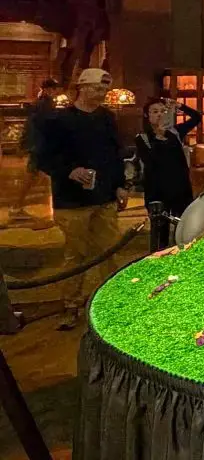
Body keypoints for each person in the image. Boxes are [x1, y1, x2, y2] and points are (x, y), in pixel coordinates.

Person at [37, 69, 128, 330]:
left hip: (104, 197)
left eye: (104, 90)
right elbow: (43, 157)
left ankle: (112, 302)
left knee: (109, 251)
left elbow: (115, 155)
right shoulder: (59, 120)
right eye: (97, 89)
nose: (101, 94)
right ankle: (71, 305)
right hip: (72, 201)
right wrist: (69, 170)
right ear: (82, 88)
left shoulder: (107, 118)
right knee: (76, 255)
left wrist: (121, 185)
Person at [135, 97, 202, 251]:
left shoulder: (175, 132)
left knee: (185, 225)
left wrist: (179, 105)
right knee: (160, 231)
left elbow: (197, 117)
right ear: (147, 116)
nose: (159, 115)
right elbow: (150, 162)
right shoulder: (142, 138)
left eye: (163, 111)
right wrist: (160, 138)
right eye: (155, 112)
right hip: (157, 189)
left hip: (180, 187)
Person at [13, 79, 61, 219]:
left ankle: (17, 207)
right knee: (32, 175)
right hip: (40, 146)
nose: (54, 92)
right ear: (48, 89)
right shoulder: (45, 104)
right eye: (53, 89)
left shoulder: (41, 103)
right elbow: (47, 125)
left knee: (36, 175)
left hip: (38, 145)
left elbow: (30, 125)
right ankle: (16, 208)